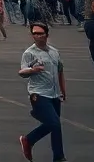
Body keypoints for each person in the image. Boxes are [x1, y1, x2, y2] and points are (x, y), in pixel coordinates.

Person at [18, 22, 67, 162]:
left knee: (56, 126)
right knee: (54, 123)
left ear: (47, 34)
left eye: (40, 33)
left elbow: (60, 72)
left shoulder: (54, 52)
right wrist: (32, 70)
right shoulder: (29, 53)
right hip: (38, 93)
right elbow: (22, 72)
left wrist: (63, 90)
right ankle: (28, 139)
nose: (37, 36)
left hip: (54, 94)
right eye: (35, 33)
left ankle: (58, 156)